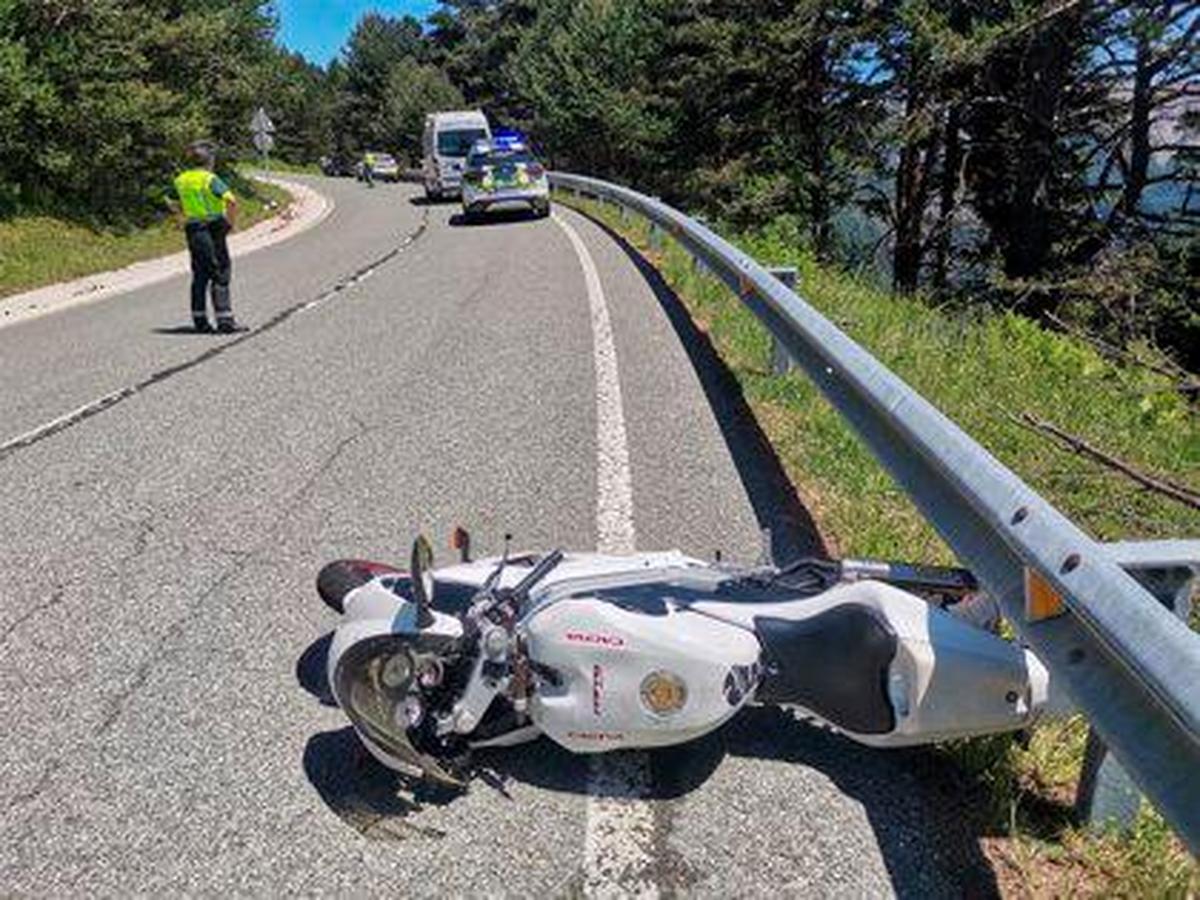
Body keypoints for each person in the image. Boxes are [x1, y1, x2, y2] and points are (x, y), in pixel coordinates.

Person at [174, 142, 240, 333]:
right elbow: (231, 200)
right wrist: (230, 223)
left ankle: (200, 321)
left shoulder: (181, 179)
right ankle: (225, 320)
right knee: (220, 272)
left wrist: (181, 219)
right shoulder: (210, 179)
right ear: (210, 161)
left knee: (200, 274)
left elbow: (174, 202)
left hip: (193, 228)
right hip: (213, 227)